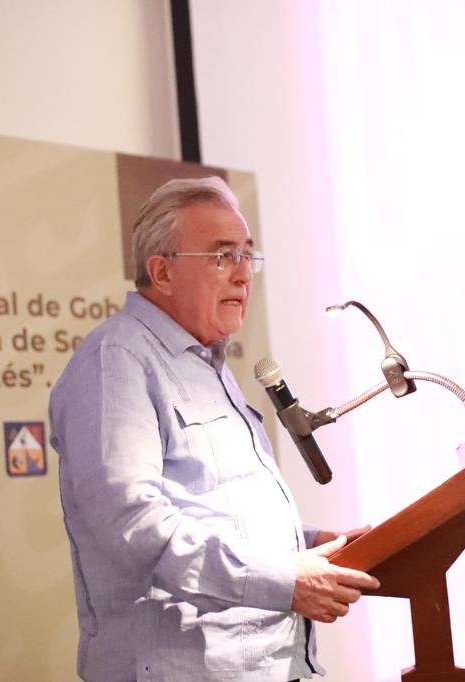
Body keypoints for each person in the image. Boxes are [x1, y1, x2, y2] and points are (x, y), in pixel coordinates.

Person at [48, 176, 379, 681]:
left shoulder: (206, 364)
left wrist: (308, 544)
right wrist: (282, 580)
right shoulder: (117, 361)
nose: (244, 275)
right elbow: (132, 524)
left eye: (248, 255)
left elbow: (215, 511)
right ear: (162, 271)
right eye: (224, 256)